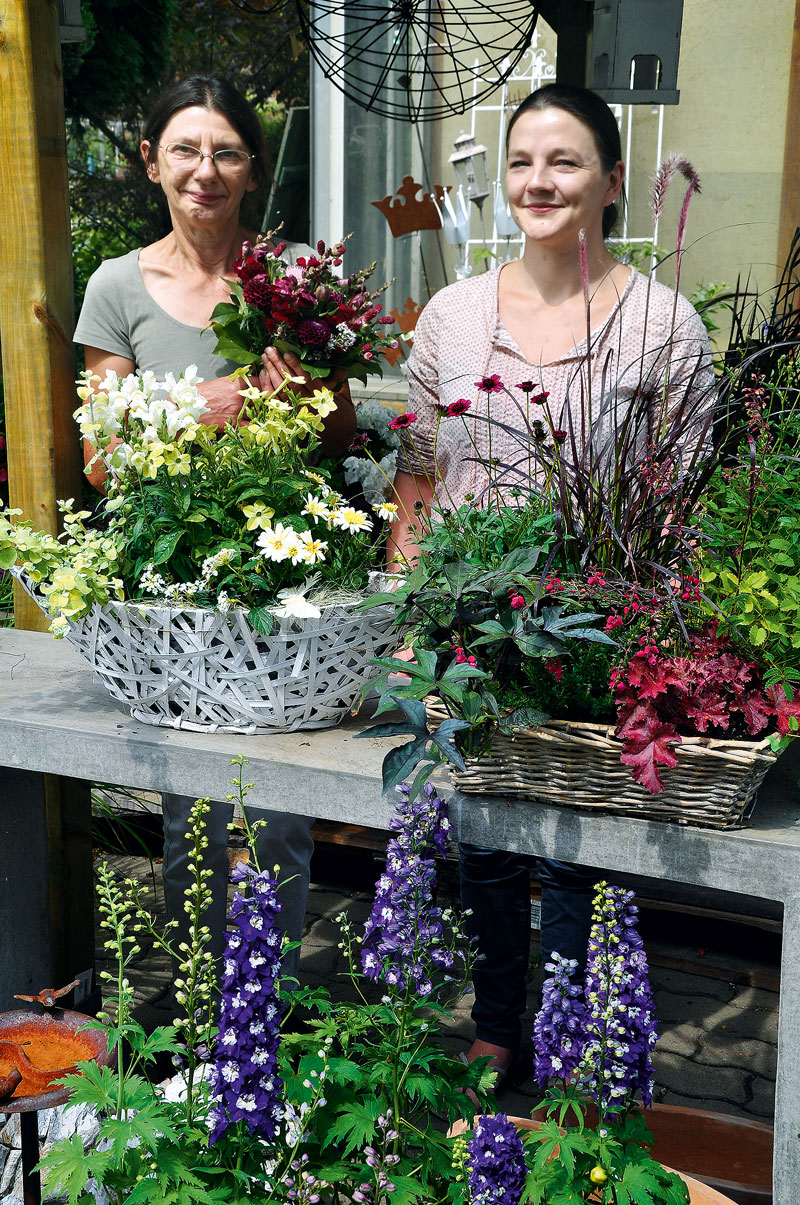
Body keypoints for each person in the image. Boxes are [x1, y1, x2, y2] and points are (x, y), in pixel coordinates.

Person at [388, 84, 715, 1086]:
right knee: (484, 835)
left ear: (613, 183)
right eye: (522, 161)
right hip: (473, 625)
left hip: (598, 630)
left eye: (565, 161)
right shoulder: (451, 314)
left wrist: (657, 636)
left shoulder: (661, 324)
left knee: (578, 844)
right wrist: (411, 619)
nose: (538, 180)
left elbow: (683, 507)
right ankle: (496, 1019)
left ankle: (571, 1034)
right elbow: (416, 480)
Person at [75, 75, 356, 991]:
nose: (206, 169)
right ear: (152, 161)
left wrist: (303, 395)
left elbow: (342, 437)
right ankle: (202, 992)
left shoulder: (290, 277)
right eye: (187, 150)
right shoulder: (118, 285)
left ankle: (265, 994)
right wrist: (211, 406)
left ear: (250, 169)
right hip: (171, 579)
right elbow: (101, 458)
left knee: (282, 803)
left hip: (285, 572)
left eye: (226, 150)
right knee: (186, 797)